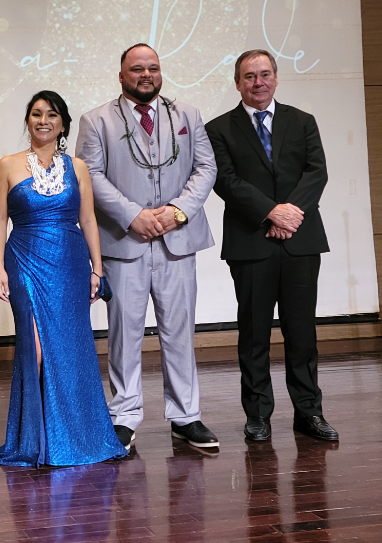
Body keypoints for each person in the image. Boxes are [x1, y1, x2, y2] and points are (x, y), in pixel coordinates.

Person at [75, 43, 219, 451]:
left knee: (180, 331)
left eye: (153, 68)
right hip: (125, 241)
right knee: (125, 332)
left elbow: (206, 167)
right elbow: (91, 175)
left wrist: (178, 210)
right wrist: (132, 214)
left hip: (177, 240)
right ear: (121, 75)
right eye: (137, 69)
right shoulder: (96, 120)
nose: (146, 75)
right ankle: (124, 416)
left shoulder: (187, 115)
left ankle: (186, 416)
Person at [0, 90, 126, 467]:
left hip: (70, 264)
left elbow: (89, 219)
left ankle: (75, 437)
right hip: (24, 262)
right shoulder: (7, 165)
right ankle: (38, 439)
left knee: (70, 348)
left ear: (63, 123)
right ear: (28, 121)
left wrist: (97, 268)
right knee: (34, 348)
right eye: (36, 114)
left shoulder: (78, 167)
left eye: (51, 114)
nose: (43, 120)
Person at [205, 50, 337, 442]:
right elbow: (225, 181)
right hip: (251, 242)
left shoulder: (302, 121)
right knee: (254, 333)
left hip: (300, 239)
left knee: (302, 333)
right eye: (249, 76)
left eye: (264, 74)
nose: (258, 82)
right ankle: (258, 414)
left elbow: (316, 172)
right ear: (237, 83)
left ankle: (309, 412)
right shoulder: (219, 129)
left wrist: (289, 214)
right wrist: (270, 213)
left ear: (276, 78)